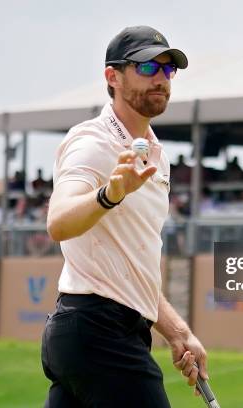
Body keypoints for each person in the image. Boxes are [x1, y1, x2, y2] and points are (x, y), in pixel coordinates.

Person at [43, 26, 207, 408]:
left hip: (100, 332)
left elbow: (131, 265)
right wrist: (109, 194)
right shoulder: (92, 142)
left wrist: (177, 332)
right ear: (112, 76)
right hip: (96, 330)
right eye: (148, 67)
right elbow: (58, 221)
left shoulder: (156, 154)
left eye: (169, 70)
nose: (162, 79)